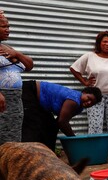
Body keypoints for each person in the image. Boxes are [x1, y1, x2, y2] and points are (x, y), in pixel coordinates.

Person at [69, 31, 108, 156]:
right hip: (94, 96)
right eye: (104, 41)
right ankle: (95, 147)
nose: (107, 44)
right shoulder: (90, 56)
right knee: (95, 123)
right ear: (99, 43)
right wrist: (85, 82)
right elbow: (74, 68)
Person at [21, 80, 102, 151]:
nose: (89, 102)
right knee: (33, 126)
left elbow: (60, 121)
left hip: (40, 103)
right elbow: (62, 122)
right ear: (84, 92)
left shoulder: (79, 107)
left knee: (51, 126)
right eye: (89, 98)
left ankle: (48, 154)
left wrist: (71, 137)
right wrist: (74, 139)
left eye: (92, 103)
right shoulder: (74, 100)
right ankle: (28, 155)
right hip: (30, 91)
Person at [0, 11, 34, 145]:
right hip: (2, 98)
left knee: (12, 138)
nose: (8, 30)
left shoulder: (7, 48)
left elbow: (29, 65)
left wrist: (17, 54)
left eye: (8, 26)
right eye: (4, 27)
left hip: (15, 100)